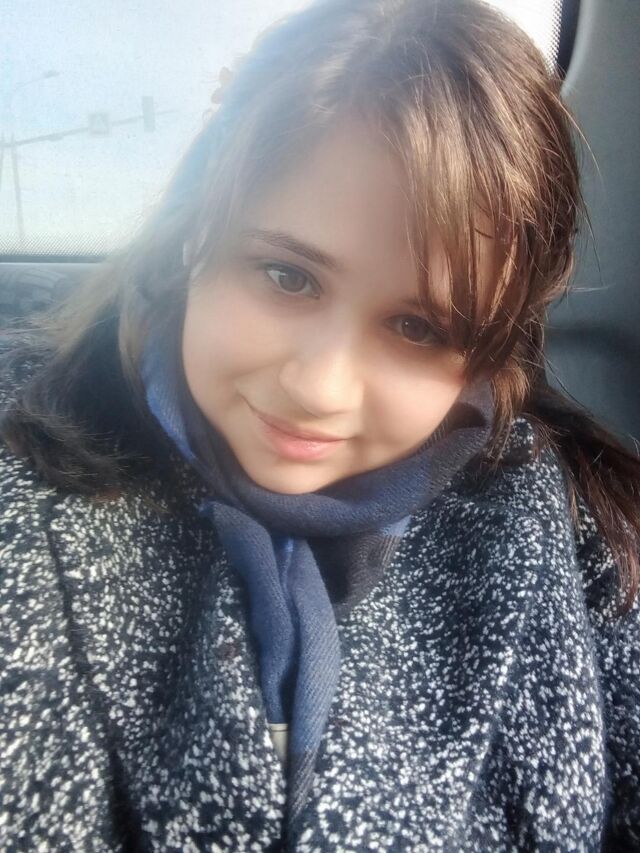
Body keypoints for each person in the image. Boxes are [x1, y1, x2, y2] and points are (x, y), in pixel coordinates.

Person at [1, 0, 638, 849]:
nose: (319, 387)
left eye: (417, 327)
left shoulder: (572, 524)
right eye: (286, 276)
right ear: (196, 235)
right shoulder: (22, 477)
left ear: (488, 350)